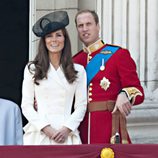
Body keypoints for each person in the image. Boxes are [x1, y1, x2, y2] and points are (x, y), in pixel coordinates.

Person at [73, 9, 145, 144]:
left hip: (109, 128)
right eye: (80, 26)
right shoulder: (75, 61)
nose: (84, 29)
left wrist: (124, 94)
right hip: (80, 130)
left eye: (89, 24)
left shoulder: (118, 55)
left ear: (98, 26)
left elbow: (138, 91)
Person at [21, 11, 87, 145]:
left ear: (65, 39)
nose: (54, 40)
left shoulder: (78, 70)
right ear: (44, 41)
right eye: (49, 36)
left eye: (58, 35)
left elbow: (81, 105)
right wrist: (47, 129)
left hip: (67, 135)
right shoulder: (32, 69)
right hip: (39, 134)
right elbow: (26, 105)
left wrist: (67, 129)